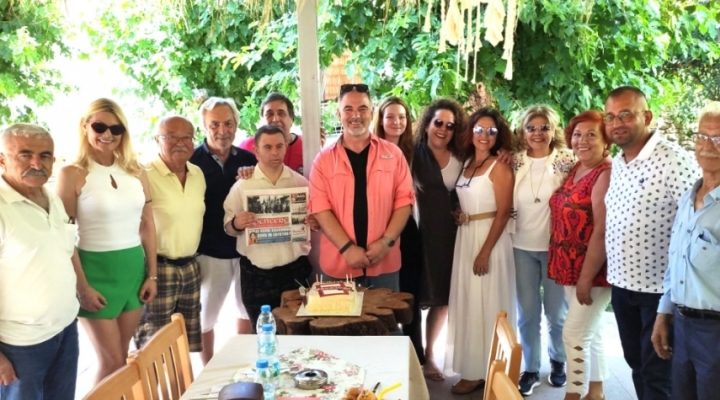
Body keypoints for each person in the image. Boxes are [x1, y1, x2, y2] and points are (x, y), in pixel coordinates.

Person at [603, 86, 697, 399]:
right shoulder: (618, 161)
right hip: (622, 285)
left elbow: (697, 223)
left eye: (625, 115)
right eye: (610, 117)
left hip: (660, 293)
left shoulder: (674, 161)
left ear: (647, 117)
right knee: (637, 364)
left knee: (659, 374)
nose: (617, 123)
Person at [57, 98, 157, 383]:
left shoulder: (137, 170)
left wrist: (152, 275)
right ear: (85, 127)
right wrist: (82, 286)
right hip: (94, 272)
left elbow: (148, 224)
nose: (108, 134)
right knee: (110, 361)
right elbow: (64, 235)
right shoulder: (71, 173)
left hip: (133, 270)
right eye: (99, 127)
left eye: (116, 128)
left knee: (122, 359)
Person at [0, 124, 80, 400]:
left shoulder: (51, 196)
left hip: (65, 329)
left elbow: (65, 250)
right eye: (25, 155)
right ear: (2, 159)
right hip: (20, 345)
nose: (37, 163)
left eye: (45, 155)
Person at [308, 83, 414, 290]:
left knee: (385, 313)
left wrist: (386, 242)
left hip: (384, 264)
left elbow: (404, 202)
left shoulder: (394, 155)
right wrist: (347, 248)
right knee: (337, 314)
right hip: (338, 266)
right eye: (348, 109)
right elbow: (320, 209)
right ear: (338, 114)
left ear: (372, 112)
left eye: (362, 108)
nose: (355, 115)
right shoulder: (323, 161)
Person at [651, 101, 720, 400]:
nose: (708, 146)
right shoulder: (687, 198)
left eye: (718, 138)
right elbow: (675, 262)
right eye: (702, 136)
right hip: (681, 325)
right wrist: (663, 313)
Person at [445, 107, 516, 395]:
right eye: (478, 129)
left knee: (488, 303)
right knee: (470, 303)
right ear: (470, 132)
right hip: (466, 237)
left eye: (491, 131)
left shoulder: (500, 166)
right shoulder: (466, 163)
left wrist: (485, 252)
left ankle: (490, 370)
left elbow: (503, 212)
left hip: (489, 241)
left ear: (499, 136)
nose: (484, 135)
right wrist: (460, 215)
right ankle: (473, 366)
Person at [548, 110, 612, 400]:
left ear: (606, 141)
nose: (582, 140)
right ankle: (595, 392)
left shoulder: (605, 173)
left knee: (573, 334)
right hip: (569, 267)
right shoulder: (577, 168)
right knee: (589, 332)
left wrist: (586, 278)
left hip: (592, 271)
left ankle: (573, 394)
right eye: (577, 134)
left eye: (591, 135)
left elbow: (601, 230)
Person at [511, 105, 574, 395]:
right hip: (520, 246)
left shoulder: (567, 160)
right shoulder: (513, 161)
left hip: (555, 248)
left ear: (553, 130)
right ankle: (531, 368)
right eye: (531, 128)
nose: (537, 133)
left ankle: (559, 360)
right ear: (523, 132)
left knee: (557, 313)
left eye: (544, 127)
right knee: (527, 313)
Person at [224, 125, 312, 328]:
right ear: (256, 150)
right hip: (257, 276)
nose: (274, 152)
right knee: (263, 333)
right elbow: (228, 228)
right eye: (268, 147)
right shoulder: (242, 186)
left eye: (279, 146)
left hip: (294, 271)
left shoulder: (300, 183)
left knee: (298, 332)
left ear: (286, 147)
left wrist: (313, 223)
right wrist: (236, 223)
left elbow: (312, 221)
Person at [190, 97, 257, 364]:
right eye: (214, 124)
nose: (222, 130)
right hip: (209, 252)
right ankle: (207, 370)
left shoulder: (248, 159)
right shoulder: (192, 161)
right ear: (204, 126)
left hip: (244, 250)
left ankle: (241, 364)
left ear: (236, 125)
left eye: (228, 123)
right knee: (206, 315)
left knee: (245, 310)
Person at [133, 116, 205, 352]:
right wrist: (150, 275)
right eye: (171, 137)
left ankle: (182, 378)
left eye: (186, 137)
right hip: (158, 268)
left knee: (185, 344)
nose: (180, 143)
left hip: (190, 267)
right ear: (157, 140)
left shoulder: (197, 174)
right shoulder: (143, 173)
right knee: (153, 347)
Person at [411, 98, 467, 382]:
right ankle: (414, 356)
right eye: (438, 123)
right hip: (418, 234)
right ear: (427, 124)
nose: (443, 129)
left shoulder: (462, 156)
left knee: (441, 298)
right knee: (414, 295)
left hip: (451, 235)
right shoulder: (412, 153)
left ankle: (431, 356)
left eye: (450, 125)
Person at [373, 96, 425, 365]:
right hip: (378, 230)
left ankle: (415, 356)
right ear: (380, 120)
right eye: (390, 116)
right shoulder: (369, 150)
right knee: (385, 295)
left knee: (410, 294)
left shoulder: (416, 152)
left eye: (402, 117)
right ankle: (386, 357)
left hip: (408, 229)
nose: (397, 122)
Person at [238, 93, 304, 173]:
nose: (275, 119)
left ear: (291, 119)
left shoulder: (306, 147)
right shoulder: (247, 147)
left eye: (281, 114)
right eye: (269, 114)